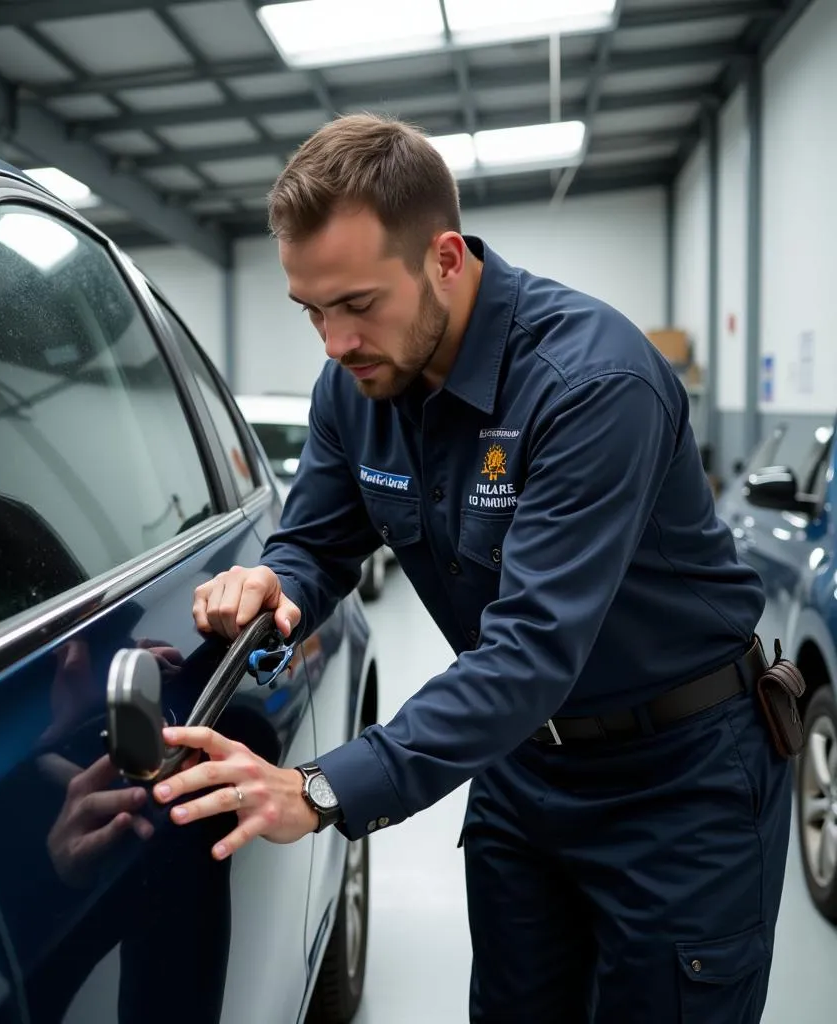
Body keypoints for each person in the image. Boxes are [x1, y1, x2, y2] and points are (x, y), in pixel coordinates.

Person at [151, 113, 792, 1022]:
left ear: (445, 259)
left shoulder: (591, 387)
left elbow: (530, 652)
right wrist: (277, 586)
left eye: (359, 304)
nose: (333, 343)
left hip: (679, 781)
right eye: (313, 311)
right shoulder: (354, 386)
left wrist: (324, 790)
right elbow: (318, 542)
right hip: (524, 773)